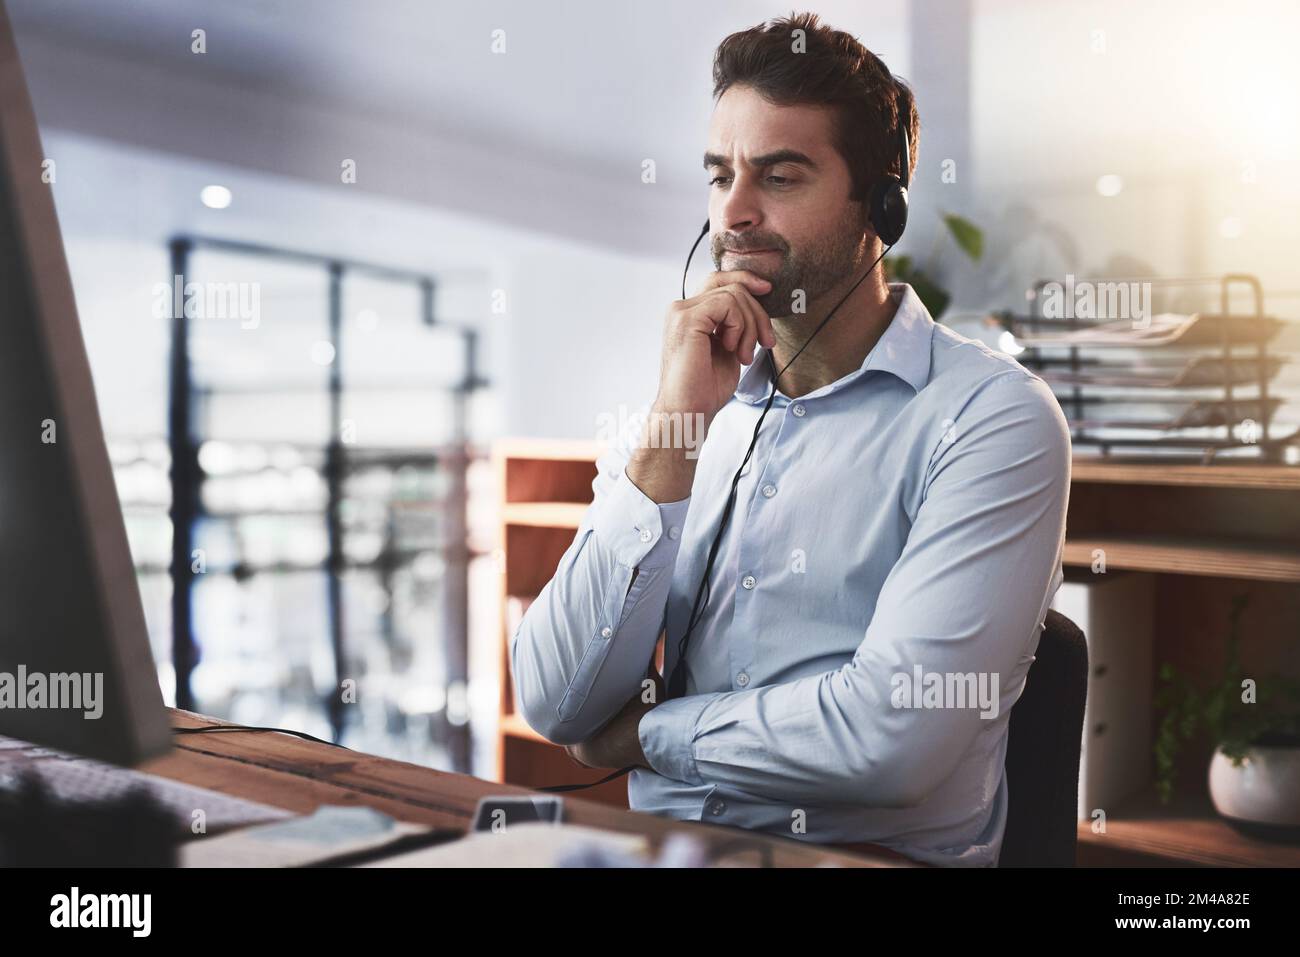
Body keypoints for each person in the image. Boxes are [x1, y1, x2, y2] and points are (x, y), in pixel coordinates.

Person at [510, 11, 1071, 867]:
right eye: (719, 174)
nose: (733, 211)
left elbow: (892, 738)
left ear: (880, 207)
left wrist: (649, 736)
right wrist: (670, 442)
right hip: (662, 851)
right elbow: (553, 699)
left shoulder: (993, 419)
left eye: (779, 175)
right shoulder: (693, 400)